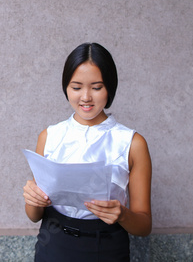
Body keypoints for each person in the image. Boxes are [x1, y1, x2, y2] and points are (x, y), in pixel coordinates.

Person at [23, 43, 152, 261]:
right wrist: (33, 200)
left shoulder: (132, 142)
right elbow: (34, 216)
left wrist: (122, 214)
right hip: (53, 244)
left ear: (110, 87)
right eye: (76, 87)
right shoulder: (49, 136)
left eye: (96, 87)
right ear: (66, 88)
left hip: (107, 246)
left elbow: (144, 225)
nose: (85, 97)